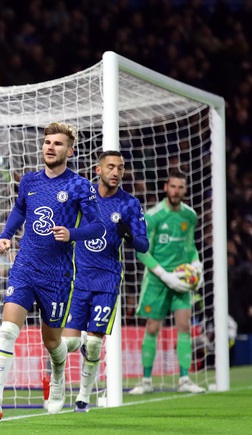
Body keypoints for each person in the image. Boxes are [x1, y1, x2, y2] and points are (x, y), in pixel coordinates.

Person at [0, 122, 105, 418]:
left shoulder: (79, 185)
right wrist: (5, 235)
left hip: (58, 276)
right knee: (7, 330)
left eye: (58, 143)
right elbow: (20, 210)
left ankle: (59, 374)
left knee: (52, 341)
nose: (50, 147)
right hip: (25, 267)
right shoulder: (29, 181)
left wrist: (72, 234)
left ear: (70, 150)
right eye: (47, 142)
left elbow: (99, 227)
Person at [61, 150, 149, 412]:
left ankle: (83, 398)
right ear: (98, 170)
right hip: (77, 278)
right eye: (110, 167)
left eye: (120, 168)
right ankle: (55, 384)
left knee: (95, 342)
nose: (116, 172)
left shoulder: (130, 204)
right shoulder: (83, 196)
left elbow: (144, 245)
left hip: (107, 280)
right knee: (71, 343)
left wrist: (129, 236)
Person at [128, 169, 205, 395]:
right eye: (173, 186)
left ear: (185, 189)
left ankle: (184, 379)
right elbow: (143, 252)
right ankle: (146, 381)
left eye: (181, 187)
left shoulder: (190, 215)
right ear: (166, 188)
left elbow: (189, 247)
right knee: (152, 328)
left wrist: (197, 265)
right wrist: (164, 275)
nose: (176, 191)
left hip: (181, 280)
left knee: (184, 326)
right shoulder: (153, 216)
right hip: (158, 279)